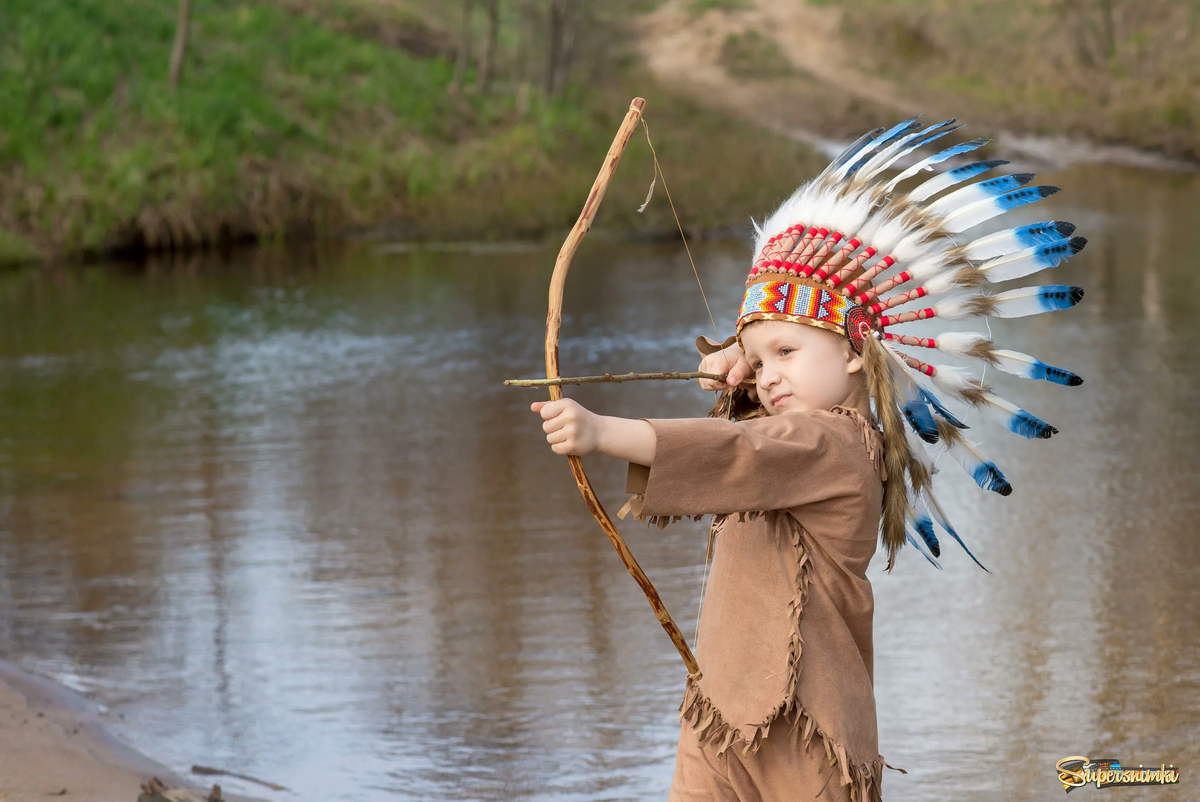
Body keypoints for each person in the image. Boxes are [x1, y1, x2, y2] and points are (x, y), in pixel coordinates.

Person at [527, 116, 1085, 801]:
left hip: (812, 730)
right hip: (720, 718)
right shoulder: (782, 426)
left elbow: (740, 457)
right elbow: (748, 436)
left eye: (788, 355)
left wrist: (601, 433)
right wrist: (744, 355)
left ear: (855, 349)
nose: (768, 377)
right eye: (761, 363)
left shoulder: (840, 444)